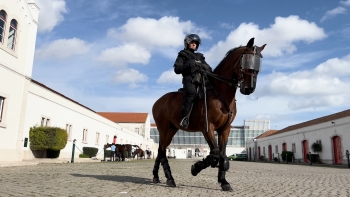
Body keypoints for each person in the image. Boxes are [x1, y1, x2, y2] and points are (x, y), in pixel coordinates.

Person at [174, 33, 212, 128]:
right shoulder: (182, 54)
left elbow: (210, 69)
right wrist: (188, 64)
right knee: (192, 92)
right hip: (189, 79)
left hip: (202, 79)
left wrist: (205, 66)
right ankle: (184, 118)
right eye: (192, 42)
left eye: (196, 43)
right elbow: (177, 70)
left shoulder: (200, 56)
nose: (194, 44)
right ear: (187, 43)